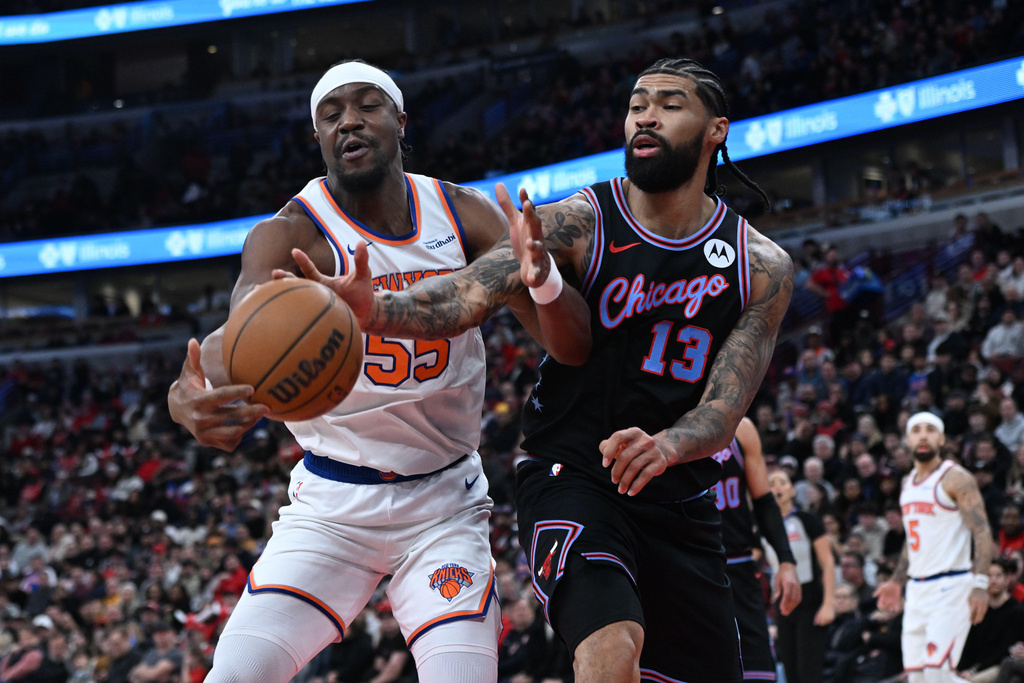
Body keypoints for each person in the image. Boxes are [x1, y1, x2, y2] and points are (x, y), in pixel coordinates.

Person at [307, 58, 795, 682]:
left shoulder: (762, 266)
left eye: (670, 104)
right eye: (637, 103)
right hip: (573, 473)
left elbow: (725, 409)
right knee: (611, 648)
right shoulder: (581, 222)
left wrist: (669, 444)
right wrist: (376, 308)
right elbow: (463, 296)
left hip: (679, 494)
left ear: (716, 130)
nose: (645, 115)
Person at [166, 60, 592, 683]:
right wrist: (186, 396)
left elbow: (572, 345)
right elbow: (231, 348)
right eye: (330, 114)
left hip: (444, 503)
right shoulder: (288, 236)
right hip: (331, 506)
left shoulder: (464, 215)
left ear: (400, 120)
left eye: (367, 105)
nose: (349, 121)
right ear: (317, 137)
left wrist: (543, 279)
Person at [875, 412, 996, 682]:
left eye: (930, 430)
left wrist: (981, 582)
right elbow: (912, 538)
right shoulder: (907, 483)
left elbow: (982, 530)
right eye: (916, 430)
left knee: (937, 672)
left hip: (952, 586)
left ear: (941, 439)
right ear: (908, 439)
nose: (923, 435)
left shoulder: (956, 478)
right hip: (917, 590)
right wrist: (897, 580)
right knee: (917, 676)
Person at [712, 416, 802, 680]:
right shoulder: (664, 417)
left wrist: (786, 561)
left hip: (738, 564)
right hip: (687, 565)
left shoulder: (740, 426)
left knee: (758, 671)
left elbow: (763, 501)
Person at [770, 468, 836, 683]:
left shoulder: (807, 520)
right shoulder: (763, 525)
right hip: (782, 604)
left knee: (808, 672)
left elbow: (827, 562)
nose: (777, 487)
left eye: (782, 482)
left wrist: (829, 603)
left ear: (791, 490)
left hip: (810, 601)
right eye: (771, 483)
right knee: (790, 672)